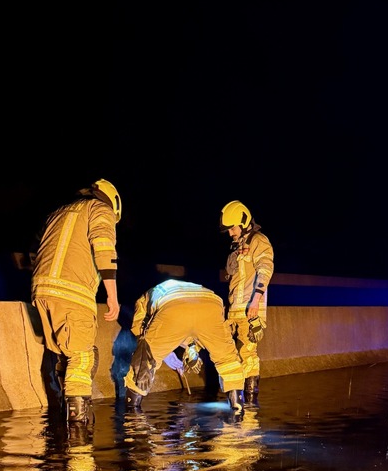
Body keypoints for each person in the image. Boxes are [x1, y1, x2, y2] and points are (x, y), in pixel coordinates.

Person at [31, 178, 121, 428]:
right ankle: (79, 444)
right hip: (72, 293)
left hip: (42, 291)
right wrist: (111, 296)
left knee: (64, 355)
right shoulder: (100, 209)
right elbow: (104, 248)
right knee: (82, 359)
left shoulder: (60, 212)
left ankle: (61, 426)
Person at [123, 279, 246, 412]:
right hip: (212, 305)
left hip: (172, 306)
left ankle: (133, 416)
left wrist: (157, 352)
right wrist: (192, 349)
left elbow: (141, 331)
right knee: (228, 360)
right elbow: (194, 326)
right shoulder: (194, 287)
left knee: (144, 363)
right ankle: (238, 410)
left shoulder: (145, 298)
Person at [219, 200, 274, 406]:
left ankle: (250, 403)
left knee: (247, 354)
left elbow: (265, 269)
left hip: (250, 310)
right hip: (234, 310)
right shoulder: (238, 246)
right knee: (230, 354)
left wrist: (256, 302)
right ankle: (237, 400)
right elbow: (234, 276)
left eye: (232, 228)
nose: (231, 232)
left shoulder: (259, 241)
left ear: (243, 221)